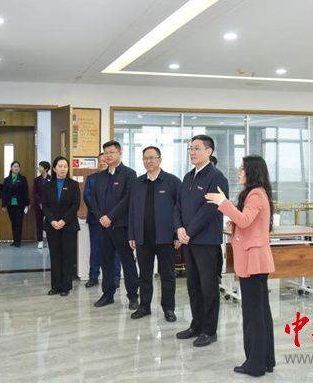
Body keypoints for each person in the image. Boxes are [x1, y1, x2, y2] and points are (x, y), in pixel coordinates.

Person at [205, 155, 275, 376]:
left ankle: (255, 365)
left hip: (253, 260)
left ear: (252, 171)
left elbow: (245, 220)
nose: (239, 172)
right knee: (260, 312)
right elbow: (247, 222)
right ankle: (265, 360)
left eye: (242, 168)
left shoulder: (256, 194)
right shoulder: (258, 192)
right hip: (256, 259)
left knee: (254, 314)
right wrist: (233, 222)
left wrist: (222, 203)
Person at [174, 135, 229, 347]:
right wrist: (179, 228)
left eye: (197, 148)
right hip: (188, 240)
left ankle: (209, 330)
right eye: (191, 148)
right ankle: (196, 325)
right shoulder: (188, 177)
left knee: (208, 287)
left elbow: (210, 209)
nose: (192, 152)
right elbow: (178, 205)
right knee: (193, 285)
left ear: (209, 151)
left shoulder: (216, 177)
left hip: (206, 241)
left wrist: (189, 231)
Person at [128, 146, 181, 322]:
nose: (149, 161)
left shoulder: (172, 182)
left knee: (168, 275)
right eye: (145, 158)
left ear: (160, 159)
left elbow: (179, 209)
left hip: (166, 237)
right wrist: (131, 235)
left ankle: (168, 308)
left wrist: (177, 234)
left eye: (152, 158)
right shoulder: (137, 183)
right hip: (142, 237)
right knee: (144, 275)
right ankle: (144, 306)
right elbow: (132, 210)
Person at [90, 140, 139, 309]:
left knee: (128, 262)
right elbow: (94, 200)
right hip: (103, 227)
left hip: (121, 227)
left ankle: (133, 296)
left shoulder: (129, 174)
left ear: (120, 153)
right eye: (106, 153)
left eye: (112, 152)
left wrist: (110, 217)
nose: (108, 155)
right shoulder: (100, 176)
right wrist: (100, 217)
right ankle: (107, 294)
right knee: (106, 261)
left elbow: (128, 199)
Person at [42, 156, 80, 296]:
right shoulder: (48, 185)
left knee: (67, 257)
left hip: (68, 226)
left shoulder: (73, 185)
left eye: (65, 166)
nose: (63, 169)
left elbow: (75, 205)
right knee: (55, 256)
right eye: (60, 166)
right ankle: (55, 286)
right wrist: (52, 221)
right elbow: (45, 205)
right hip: (52, 226)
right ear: (54, 168)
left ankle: (66, 287)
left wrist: (63, 221)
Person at [83, 153, 122, 288]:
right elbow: (87, 196)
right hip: (96, 220)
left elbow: (118, 199)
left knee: (115, 250)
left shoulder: (116, 177)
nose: (101, 163)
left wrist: (110, 216)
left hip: (114, 220)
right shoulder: (91, 178)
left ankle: (115, 277)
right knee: (96, 249)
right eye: (99, 161)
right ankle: (93, 276)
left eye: (104, 161)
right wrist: (99, 214)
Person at [1, 161, 30, 247]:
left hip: (20, 204)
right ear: (11, 168)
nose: (16, 168)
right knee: (13, 222)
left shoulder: (23, 178)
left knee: (18, 222)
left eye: (18, 166)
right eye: (14, 166)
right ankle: (14, 240)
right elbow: (4, 193)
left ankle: (18, 241)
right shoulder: (7, 180)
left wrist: (27, 204)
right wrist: (3, 205)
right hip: (10, 204)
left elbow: (26, 192)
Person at [34, 161, 51, 249]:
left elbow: (53, 193)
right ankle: (40, 241)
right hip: (39, 205)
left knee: (49, 223)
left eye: (40, 167)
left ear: (46, 169)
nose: (38, 168)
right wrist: (40, 202)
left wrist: (47, 203)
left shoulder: (52, 179)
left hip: (49, 206)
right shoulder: (37, 180)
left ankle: (48, 241)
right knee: (39, 223)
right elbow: (35, 193)